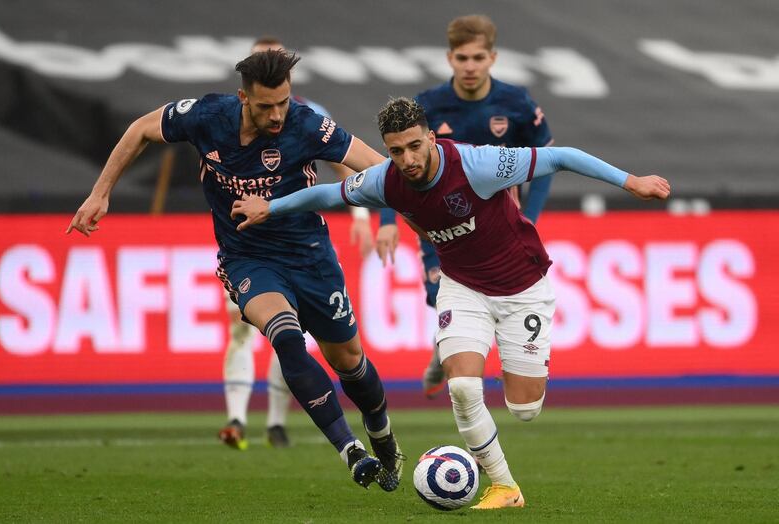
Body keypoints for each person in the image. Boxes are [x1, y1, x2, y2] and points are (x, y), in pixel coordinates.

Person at [230, 97, 670, 509]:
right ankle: (504, 485)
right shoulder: (386, 179)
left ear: (432, 138)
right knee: (462, 388)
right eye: (396, 150)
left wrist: (631, 181)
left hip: (523, 288)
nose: (408, 160)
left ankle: (466, 351)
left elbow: (561, 156)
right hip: (463, 286)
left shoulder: (479, 164)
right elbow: (327, 195)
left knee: (524, 409)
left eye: (415, 147)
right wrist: (270, 206)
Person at [66, 50, 403, 492]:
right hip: (248, 258)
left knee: (350, 362)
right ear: (243, 98)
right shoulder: (207, 116)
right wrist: (100, 193)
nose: (278, 114)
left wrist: (391, 218)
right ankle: (350, 450)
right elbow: (141, 129)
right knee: (284, 334)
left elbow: (379, 168)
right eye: (266, 106)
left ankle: (382, 436)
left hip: (310, 256)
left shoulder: (306, 123)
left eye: (283, 102)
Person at [375, 15, 555, 398]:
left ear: (492, 57)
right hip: (440, 227)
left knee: (495, 294)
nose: (469, 67)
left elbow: (546, 163)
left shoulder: (517, 104)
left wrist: (530, 220)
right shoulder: (427, 107)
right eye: (462, 58)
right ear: (449, 58)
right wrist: (387, 220)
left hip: (498, 227)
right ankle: (448, 351)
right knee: (439, 294)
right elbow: (393, 171)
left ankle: (455, 353)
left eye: (477, 58)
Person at [217, 36, 374, 451]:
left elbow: (344, 160)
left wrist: (360, 214)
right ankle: (235, 416)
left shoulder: (309, 117)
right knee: (249, 328)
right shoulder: (221, 119)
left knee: (288, 335)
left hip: (299, 245)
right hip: (245, 246)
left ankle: (274, 421)